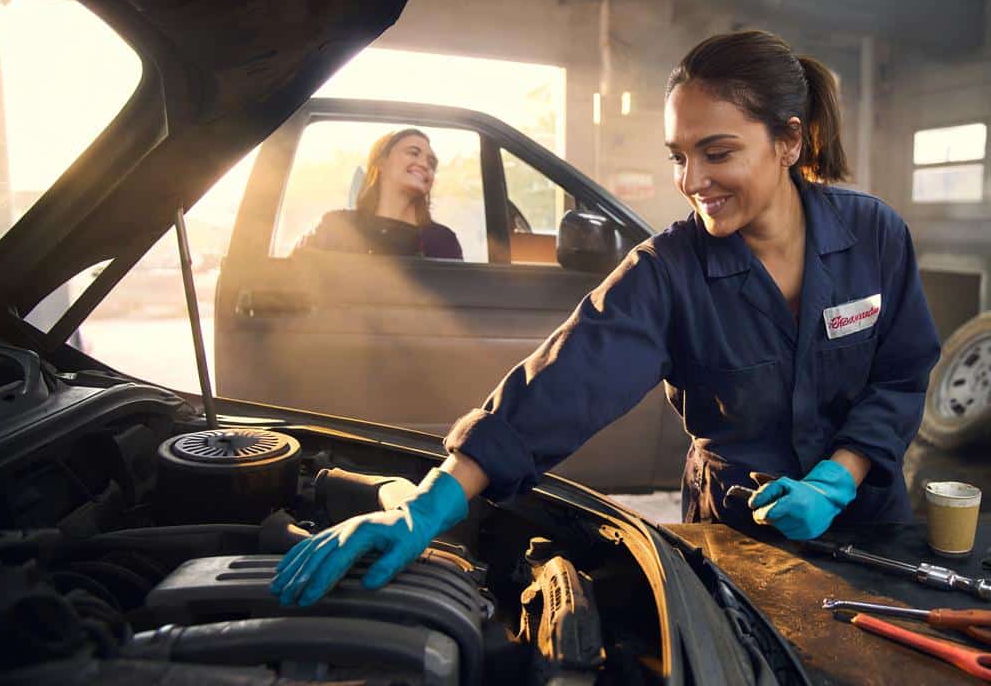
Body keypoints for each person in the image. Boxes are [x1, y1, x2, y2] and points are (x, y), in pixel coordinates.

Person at [271, 30, 940, 607]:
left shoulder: (872, 234)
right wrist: (429, 504)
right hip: (738, 539)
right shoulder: (669, 271)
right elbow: (566, 379)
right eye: (679, 155)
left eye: (717, 152)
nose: (691, 179)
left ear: (789, 140)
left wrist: (840, 475)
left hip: (868, 524)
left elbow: (902, 371)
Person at [292, 128, 463, 259]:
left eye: (431, 163)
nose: (425, 165)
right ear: (381, 163)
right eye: (413, 153)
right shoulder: (338, 225)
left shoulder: (443, 241)